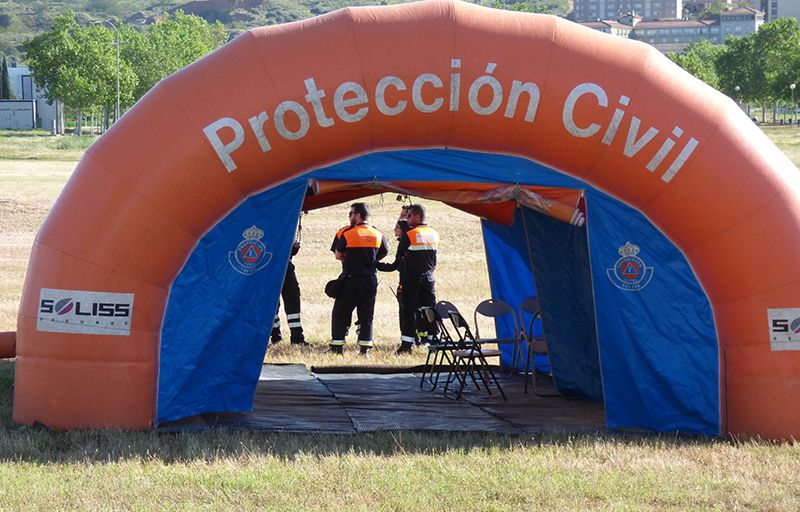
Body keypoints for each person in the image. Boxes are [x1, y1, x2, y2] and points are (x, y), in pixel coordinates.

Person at [328, 202, 389, 356]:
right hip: (370, 279)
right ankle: (365, 350)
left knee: (341, 312)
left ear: (358, 215)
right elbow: (384, 252)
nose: (350, 217)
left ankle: (337, 347)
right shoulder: (377, 233)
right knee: (367, 315)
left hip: (351, 279)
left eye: (351, 214)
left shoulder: (348, 233)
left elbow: (338, 255)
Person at [394, 204, 440, 355]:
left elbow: (399, 258)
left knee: (408, 310)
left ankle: (407, 344)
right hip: (429, 277)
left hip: (411, 278)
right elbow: (434, 259)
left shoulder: (409, 234)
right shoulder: (434, 233)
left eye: (409, 216)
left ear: (417, 217)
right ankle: (434, 340)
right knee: (429, 309)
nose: (407, 220)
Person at [377, 210, 411, 348]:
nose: (394, 230)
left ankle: (407, 342)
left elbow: (395, 265)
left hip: (406, 281)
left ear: (402, 230)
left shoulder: (404, 242)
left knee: (406, 311)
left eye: (396, 227)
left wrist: (375, 264)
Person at [271, 230, 310, 347]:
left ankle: (297, 337)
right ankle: (275, 336)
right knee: (272, 304)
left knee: (293, 300)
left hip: (286, 267)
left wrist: (294, 249)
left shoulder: (289, 224)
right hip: (271, 268)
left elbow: (287, 252)